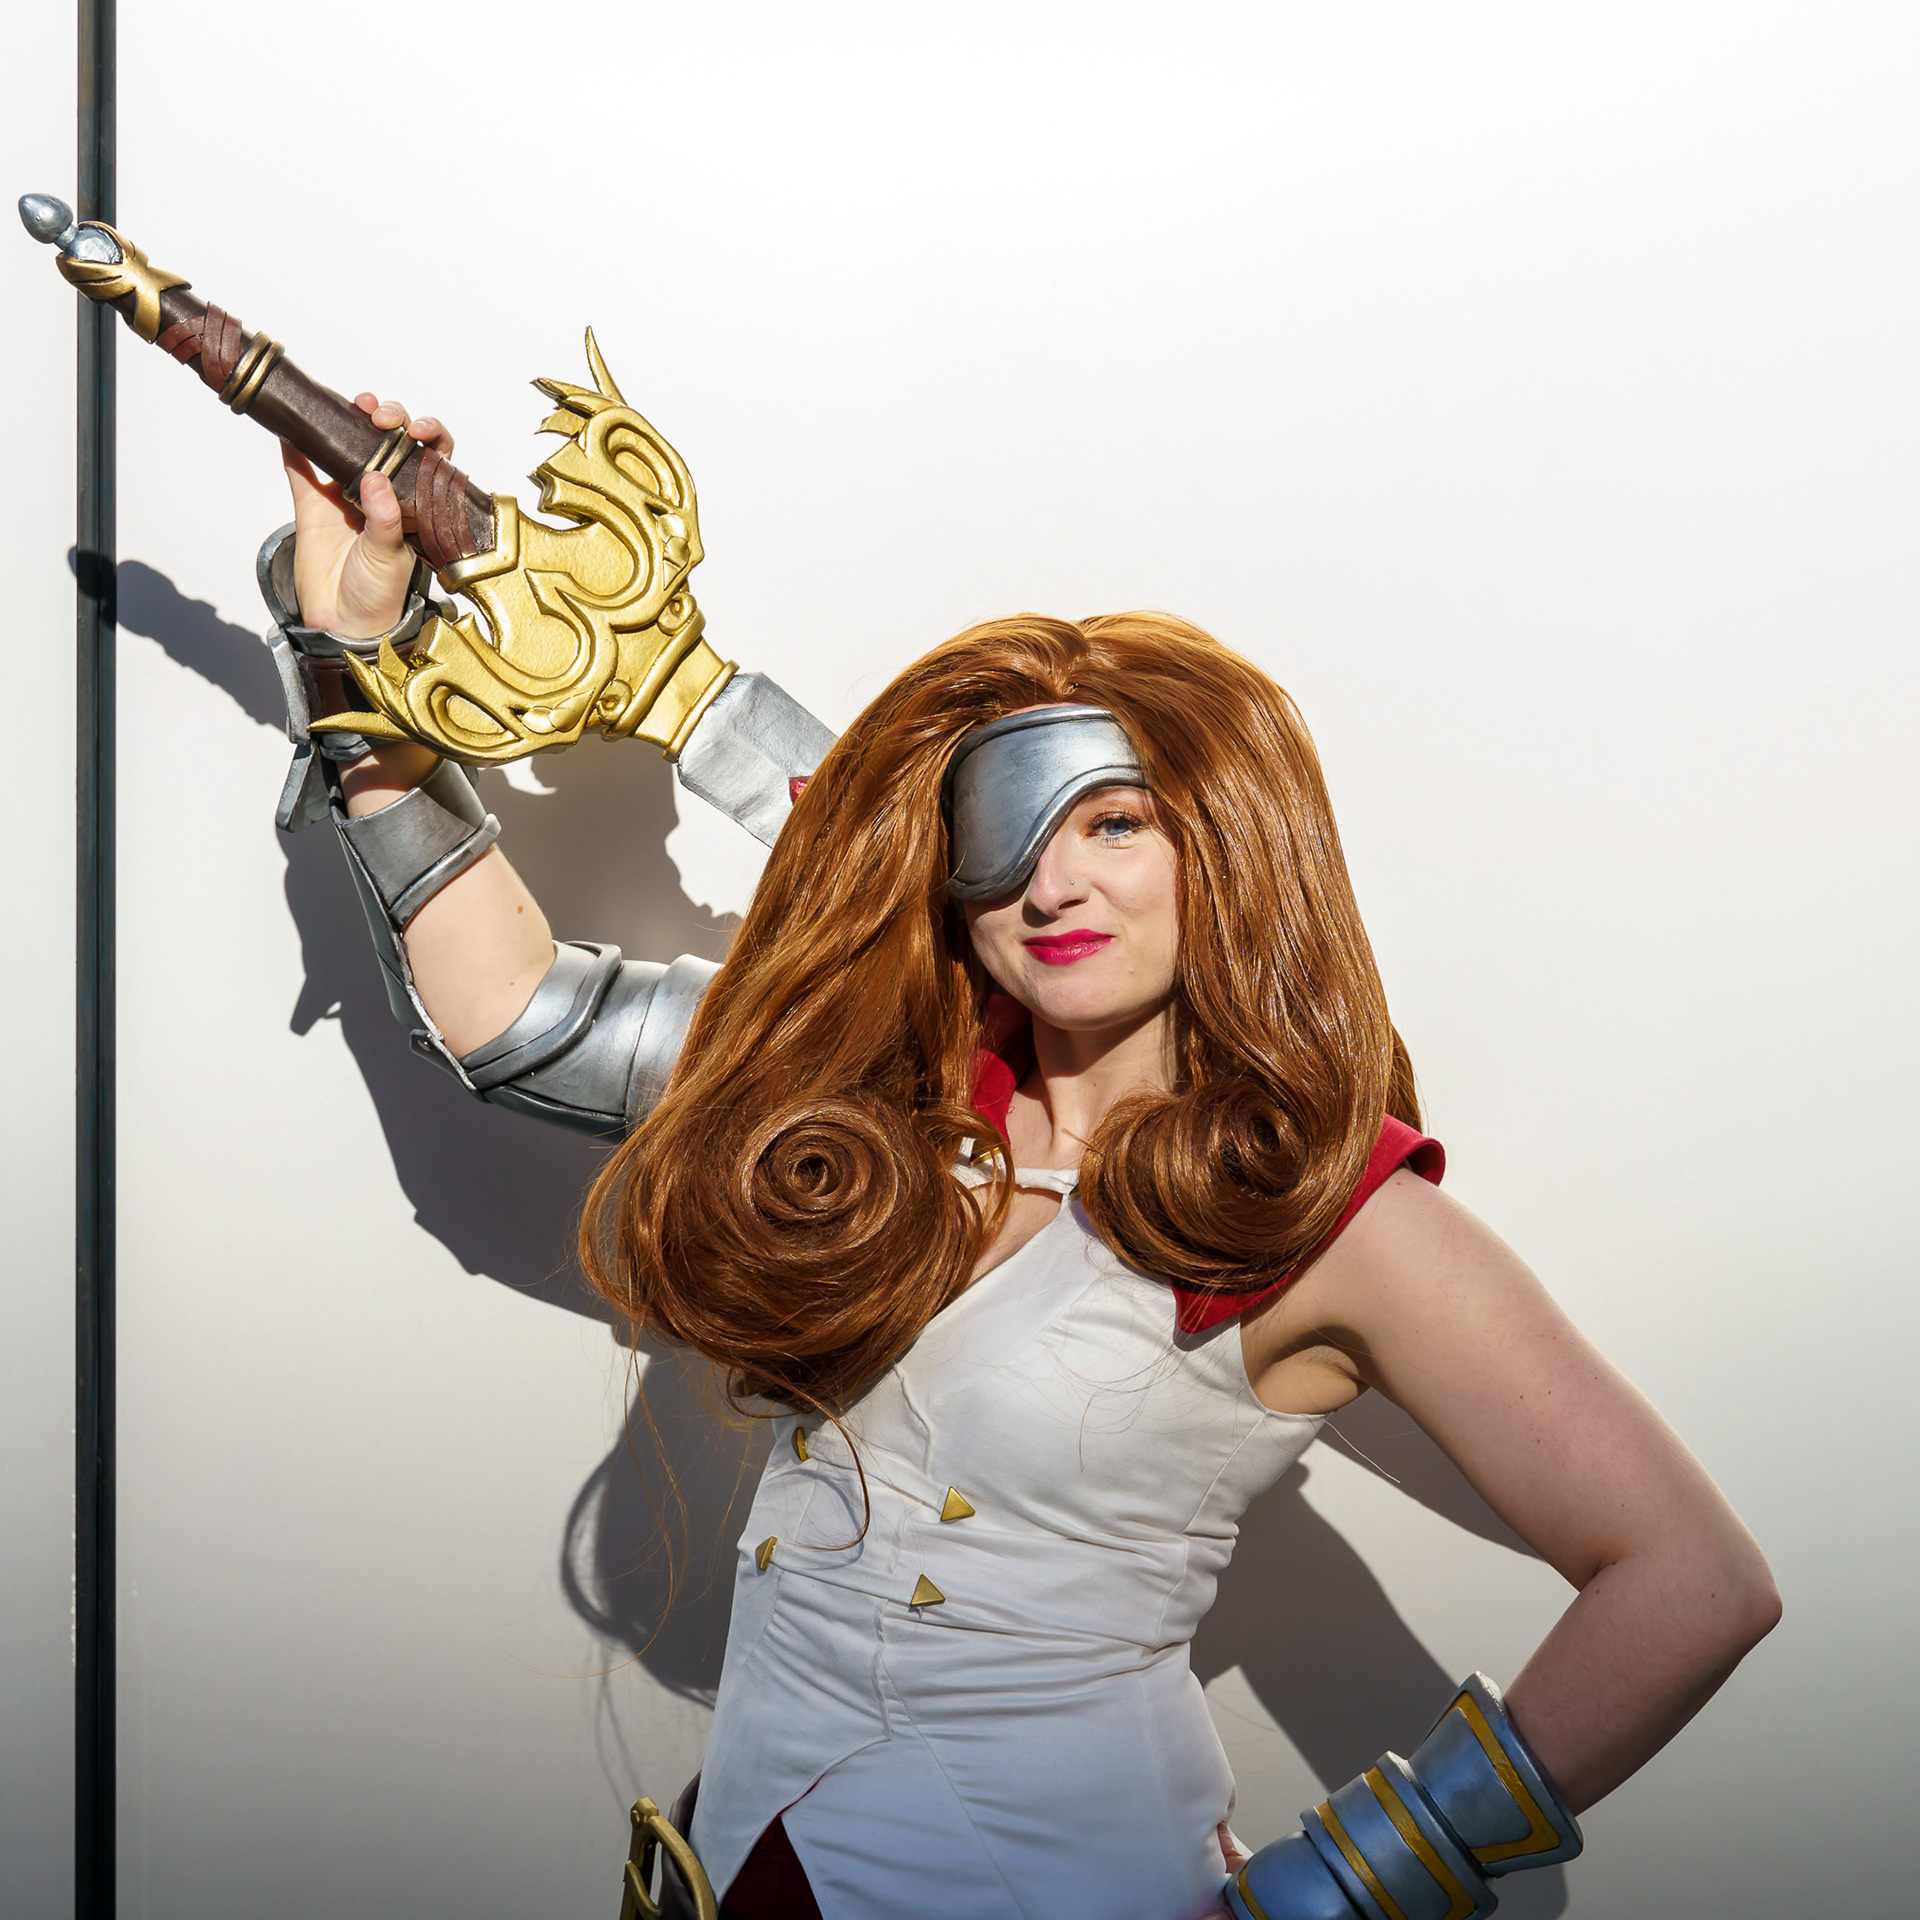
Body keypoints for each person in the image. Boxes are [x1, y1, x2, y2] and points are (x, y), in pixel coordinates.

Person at [267, 396, 1781, 1920]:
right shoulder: (874, 1109)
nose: (1053, 885)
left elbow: (1692, 1580)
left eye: (1116, 825)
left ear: (1224, 845)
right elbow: (510, 1011)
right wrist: (346, 640)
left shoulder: (1326, 1216)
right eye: (1008, 836)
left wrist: (1330, 1890)